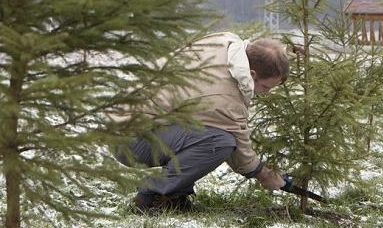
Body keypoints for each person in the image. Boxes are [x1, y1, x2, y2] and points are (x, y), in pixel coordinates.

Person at [114, 32, 289, 215]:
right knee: (220, 142)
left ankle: (175, 192)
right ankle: (151, 196)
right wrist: (264, 175)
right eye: (266, 87)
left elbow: (263, 54)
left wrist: (287, 52)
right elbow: (241, 153)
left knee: (205, 131)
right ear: (252, 74)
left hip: (122, 120)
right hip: (130, 141)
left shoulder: (225, 40)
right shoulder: (226, 99)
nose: (266, 93)